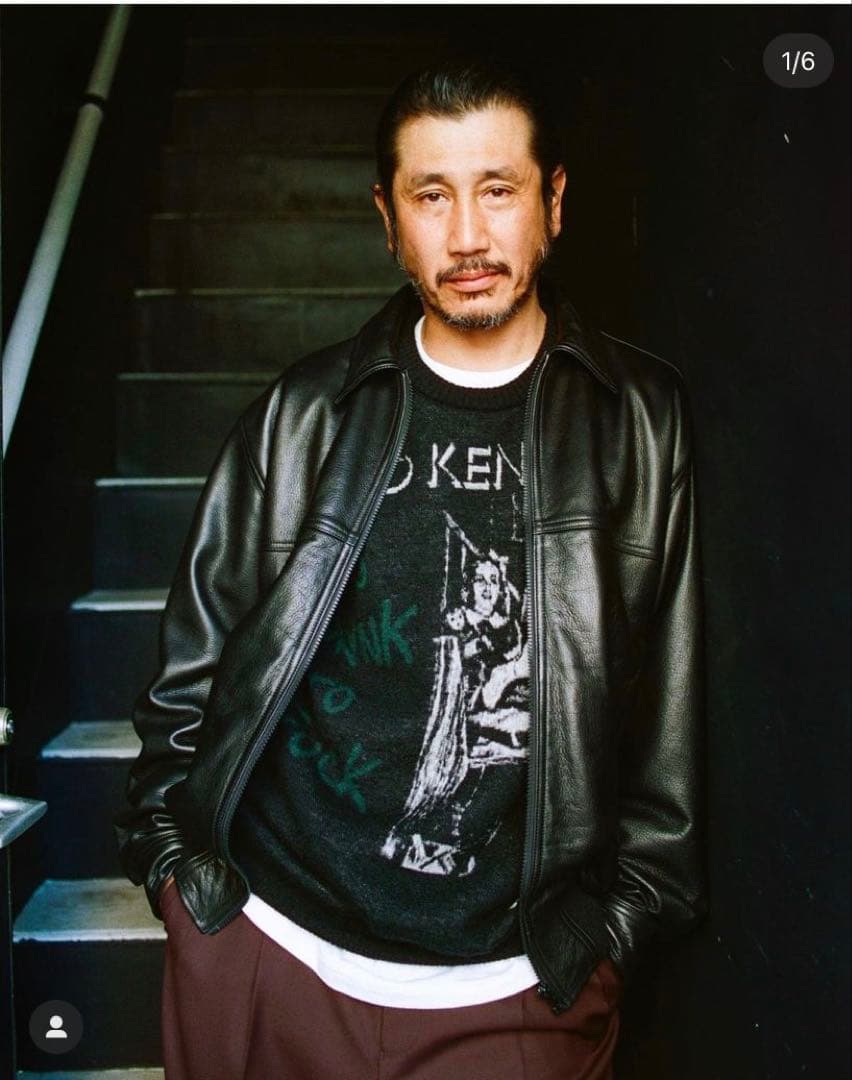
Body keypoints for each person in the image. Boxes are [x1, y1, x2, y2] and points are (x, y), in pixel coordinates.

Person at [115, 59, 706, 1079]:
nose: (468, 236)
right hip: (268, 955)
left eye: (498, 189)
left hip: (515, 990)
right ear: (388, 220)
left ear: (554, 202)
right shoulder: (303, 418)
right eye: (432, 196)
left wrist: (613, 932)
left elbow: (670, 711)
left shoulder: (638, 427)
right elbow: (188, 686)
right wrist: (184, 882)